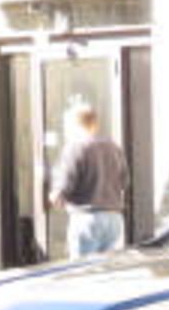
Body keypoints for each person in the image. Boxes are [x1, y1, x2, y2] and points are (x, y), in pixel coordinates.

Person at [49, 103, 129, 259]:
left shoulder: (74, 147)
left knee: (83, 272)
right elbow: (125, 182)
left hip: (87, 219)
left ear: (74, 124)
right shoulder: (113, 147)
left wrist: (55, 195)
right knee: (111, 271)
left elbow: (65, 182)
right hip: (114, 219)